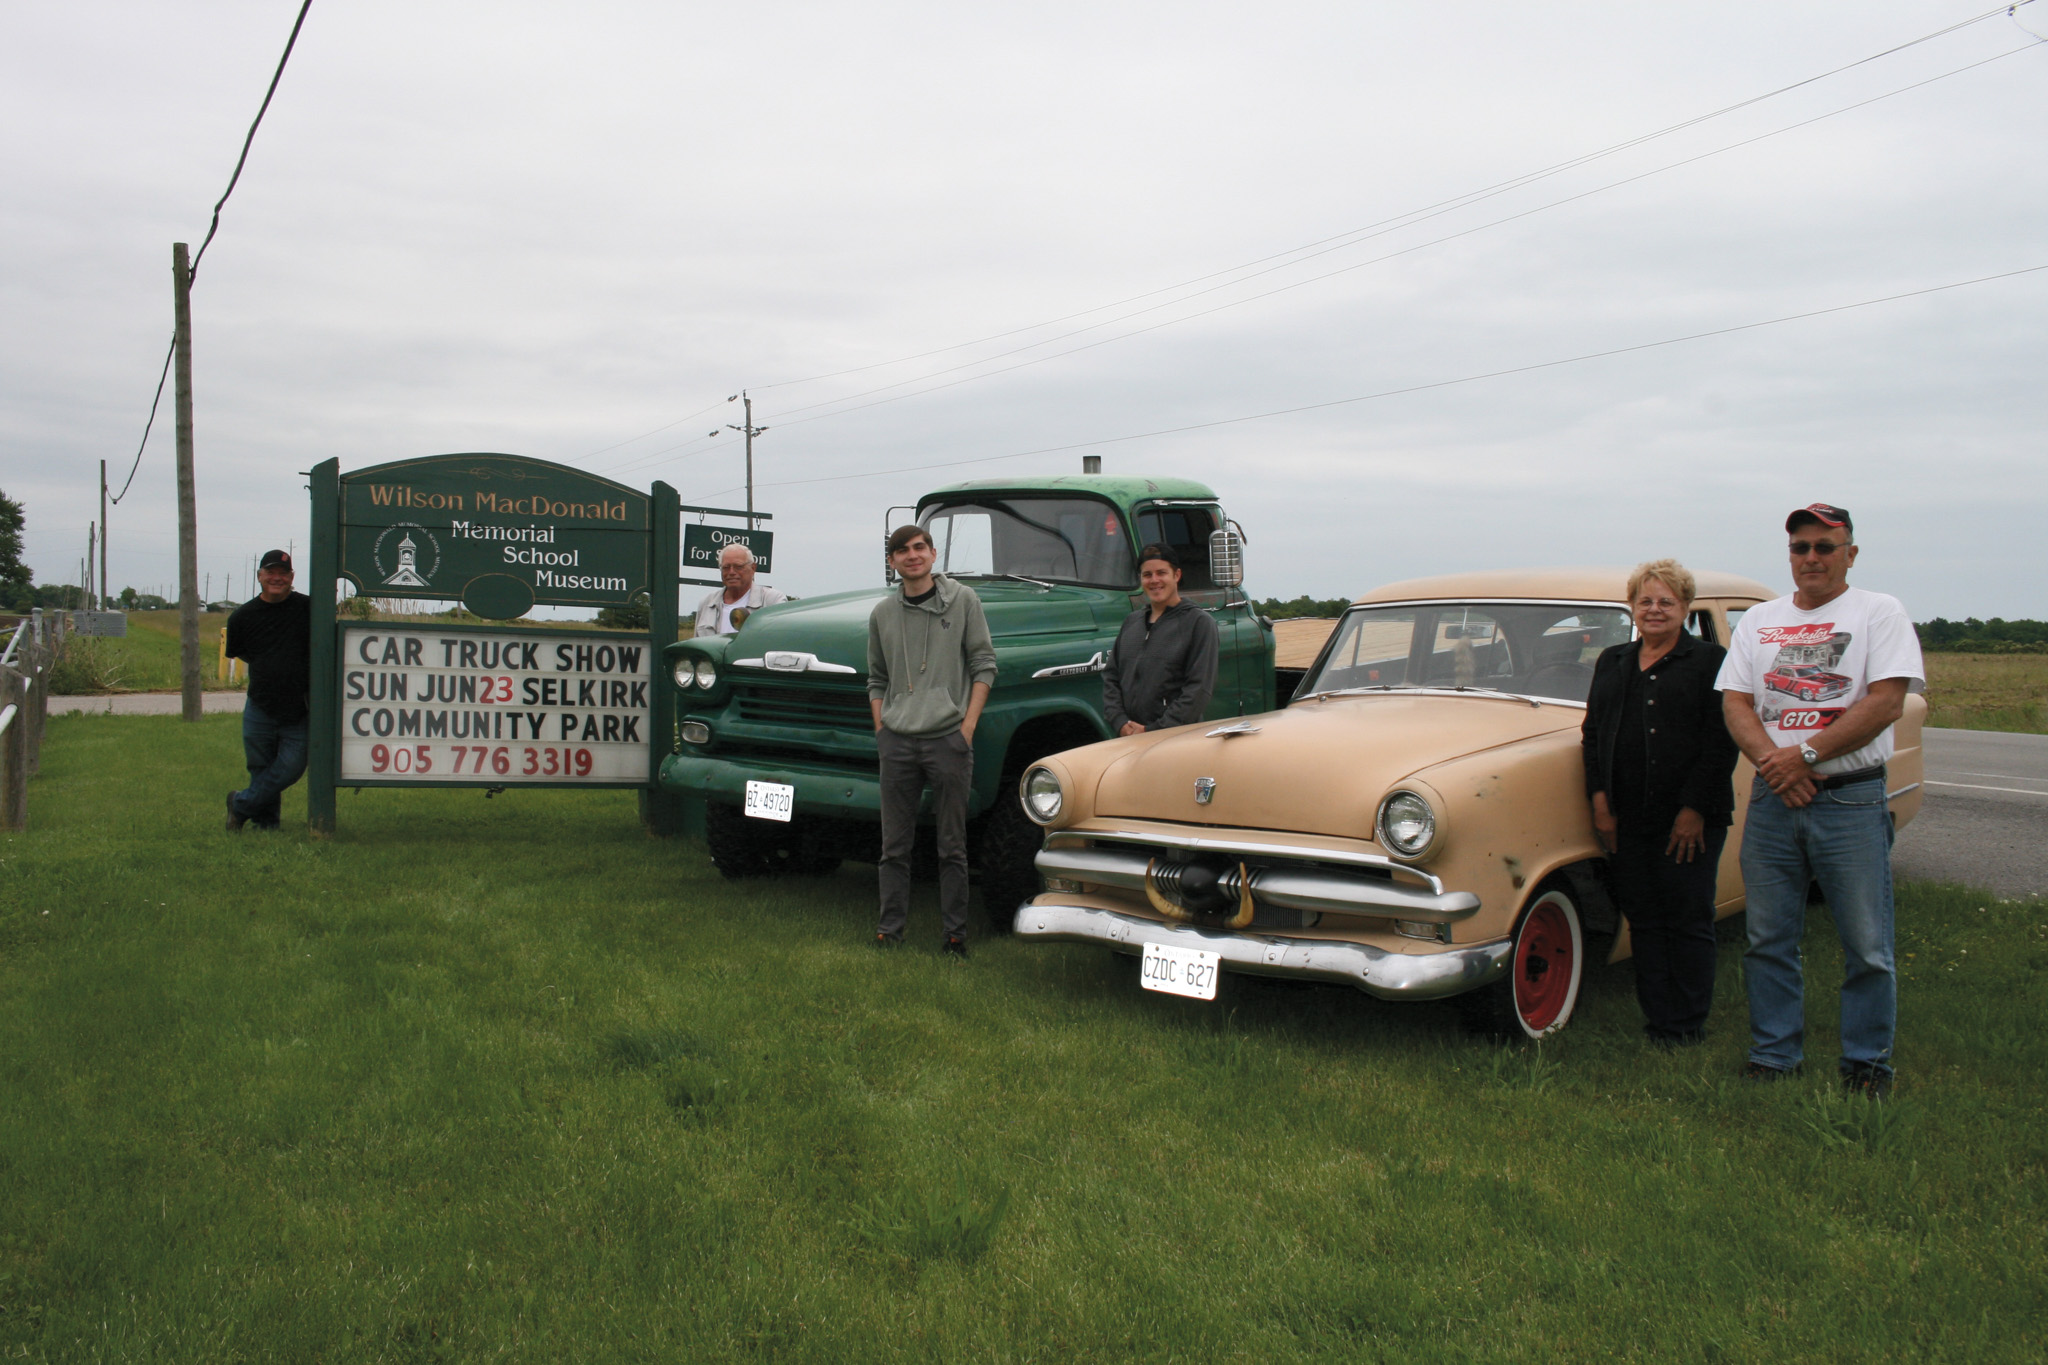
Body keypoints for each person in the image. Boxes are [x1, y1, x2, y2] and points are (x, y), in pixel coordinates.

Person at [1717, 504, 1923, 1099]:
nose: (1811, 558)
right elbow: (1736, 702)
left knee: (1866, 943)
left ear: (1850, 554)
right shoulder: (1760, 621)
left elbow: (1885, 701)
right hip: (1775, 798)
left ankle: (1866, 1063)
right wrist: (1776, 766)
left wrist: (1802, 755)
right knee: (1768, 936)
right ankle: (1774, 1053)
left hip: (1851, 799)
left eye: (1825, 547)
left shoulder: (1878, 612)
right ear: (1790, 555)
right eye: (1801, 547)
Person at [1582, 559, 1738, 1046]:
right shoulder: (1613, 661)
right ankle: (1658, 1021)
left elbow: (1721, 743)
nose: (1654, 610)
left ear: (1685, 608)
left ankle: (1687, 1024)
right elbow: (1593, 735)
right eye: (1645, 601)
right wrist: (1601, 804)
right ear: (1631, 607)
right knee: (1645, 919)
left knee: (1687, 917)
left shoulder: (1711, 662)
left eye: (1666, 602)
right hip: (1629, 817)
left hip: (1690, 819)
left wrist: (1693, 811)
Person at [868, 525, 997, 957]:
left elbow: (984, 665)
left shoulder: (962, 601)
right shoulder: (882, 614)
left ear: (933, 553)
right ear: (892, 562)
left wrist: (967, 728)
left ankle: (955, 936)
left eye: (919, 547)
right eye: (901, 551)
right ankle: (890, 932)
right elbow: (876, 679)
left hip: (948, 738)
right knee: (893, 847)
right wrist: (882, 731)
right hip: (898, 740)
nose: (912, 556)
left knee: (952, 845)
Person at [224, 549, 311, 830]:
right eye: (271, 573)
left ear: (292, 578)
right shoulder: (242, 617)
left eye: (283, 574)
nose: (277, 578)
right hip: (259, 705)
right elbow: (241, 653)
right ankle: (266, 825)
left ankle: (239, 803)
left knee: (291, 767)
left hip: (300, 708)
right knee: (260, 767)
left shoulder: (309, 608)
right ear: (260, 576)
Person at [1102, 543, 1219, 737]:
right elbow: (1111, 677)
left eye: (1161, 573)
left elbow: (1199, 691)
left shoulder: (1199, 623)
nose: (1154, 580)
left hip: (1175, 742)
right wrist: (1120, 722)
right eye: (1147, 575)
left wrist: (1153, 730)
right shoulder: (1132, 623)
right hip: (1129, 740)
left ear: (1177, 575)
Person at [692, 542, 787, 636]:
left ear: (753, 568)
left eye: (738, 567)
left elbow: (781, 640)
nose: (731, 572)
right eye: (726, 567)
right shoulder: (707, 604)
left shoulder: (772, 600)